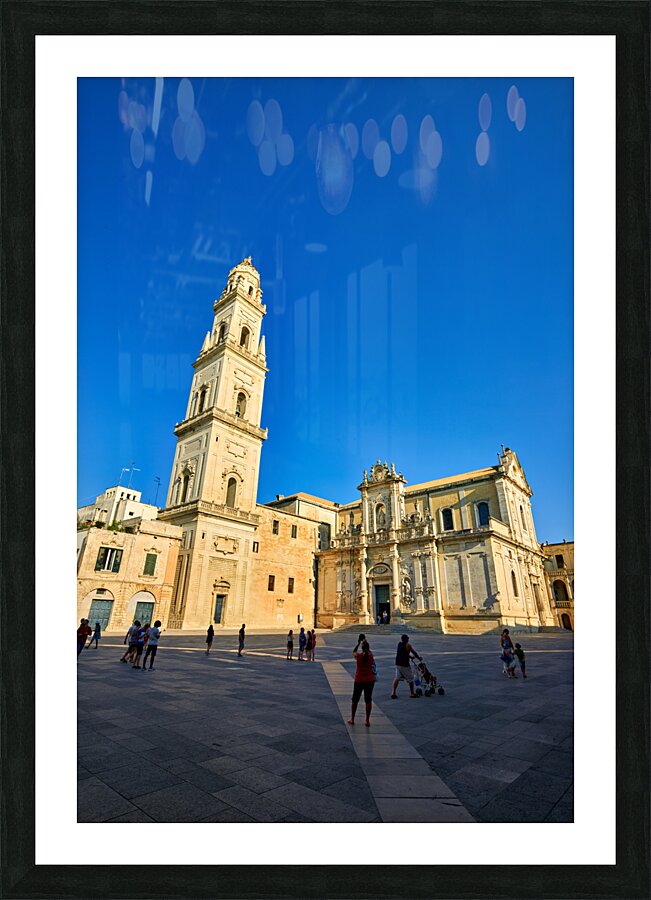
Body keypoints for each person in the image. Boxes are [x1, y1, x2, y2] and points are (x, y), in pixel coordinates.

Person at [348, 636, 376, 727]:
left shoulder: (358, 657)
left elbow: (354, 652)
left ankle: (352, 719)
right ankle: (367, 720)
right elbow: (369, 651)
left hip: (359, 680)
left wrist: (358, 643)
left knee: (355, 699)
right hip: (369, 680)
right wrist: (365, 643)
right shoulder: (371, 656)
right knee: (368, 700)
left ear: (362, 648)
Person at [391, 634, 422, 699]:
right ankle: (412, 693)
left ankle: (393, 693)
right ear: (406, 639)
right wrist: (419, 658)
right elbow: (414, 652)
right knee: (410, 679)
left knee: (396, 678)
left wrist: (410, 657)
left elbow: (402, 653)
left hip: (398, 663)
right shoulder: (408, 645)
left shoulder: (399, 644)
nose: (408, 639)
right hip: (404, 665)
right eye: (408, 638)